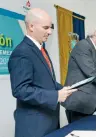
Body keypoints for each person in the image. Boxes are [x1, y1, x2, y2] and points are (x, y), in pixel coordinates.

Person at [8, 8, 76, 137]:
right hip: (34, 126)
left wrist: (64, 89)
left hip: (49, 121)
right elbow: (20, 90)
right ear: (31, 26)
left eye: (51, 28)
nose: (50, 32)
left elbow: (45, 80)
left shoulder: (40, 49)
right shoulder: (22, 52)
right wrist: (55, 96)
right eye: (46, 28)